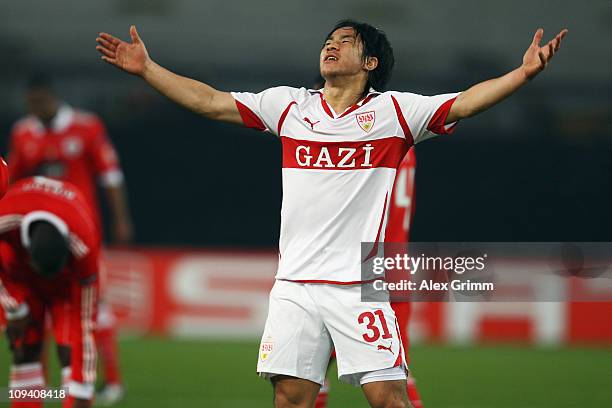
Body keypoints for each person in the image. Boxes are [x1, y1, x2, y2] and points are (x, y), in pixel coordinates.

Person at [96, 19, 567, 408]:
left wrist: (522, 74)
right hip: (296, 283)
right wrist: (148, 70)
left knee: (390, 399)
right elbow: (211, 101)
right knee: (291, 399)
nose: (331, 45)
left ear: (371, 63)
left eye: (346, 41)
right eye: (329, 39)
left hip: (358, 286)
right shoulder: (290, 106)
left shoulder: (395, 113)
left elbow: (466, 101)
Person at [6, 74, 131, 404]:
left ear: (52, 97)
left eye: (40, 101)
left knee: (90, 314)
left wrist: (121, 220)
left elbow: (111, 174)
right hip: (32, 237)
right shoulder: (23, 132)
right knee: (30, 332)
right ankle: (45, 388)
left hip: (78, 236)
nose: (35, 107)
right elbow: (13, 180)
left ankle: (112, 382)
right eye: (31, 102)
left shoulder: (87, 127)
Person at [0, 176, 101, 408]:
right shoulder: (6, 214)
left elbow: (86, 316)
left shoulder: (84, 242)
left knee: (70, 352)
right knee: (25, 347)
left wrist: (82, 386)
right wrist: (13, 307)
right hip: (21, 279)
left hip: (66, 287)